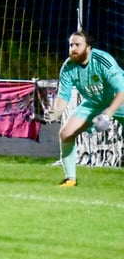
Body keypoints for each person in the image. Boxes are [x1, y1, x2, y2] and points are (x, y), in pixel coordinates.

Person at [44, 29, 124, 187]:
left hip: (118, 100)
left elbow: (122, 90)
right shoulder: (68, 67)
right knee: (66, 134)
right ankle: (70, 179)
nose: (72, 48)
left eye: (77, 45)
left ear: (88, 47)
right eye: (70, 45)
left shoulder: (103, 61)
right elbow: (64, 96)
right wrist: (57, 111)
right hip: (93, 103)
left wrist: (108, 113)